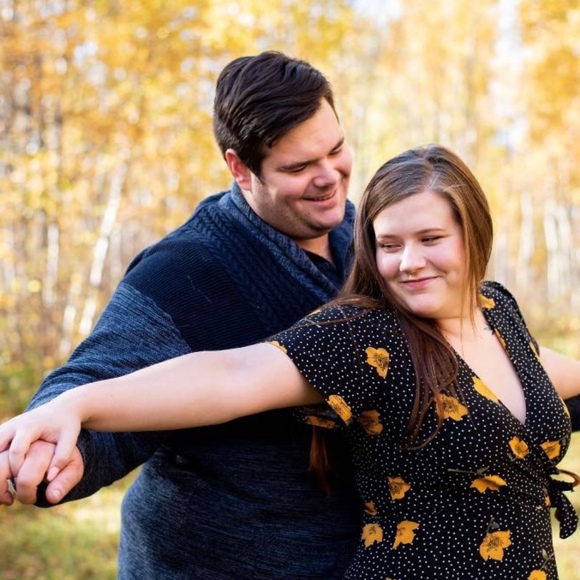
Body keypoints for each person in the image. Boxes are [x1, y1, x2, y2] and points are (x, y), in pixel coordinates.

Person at [2, 144, 579, 579]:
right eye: (389, 244)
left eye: (431, 239)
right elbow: (230, 375)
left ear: (473, 234)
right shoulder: (366, 337)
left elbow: (532, 371)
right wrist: (76, 404)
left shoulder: (495, 309)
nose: (408, 262)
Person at [0, 51, 362, 578]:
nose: (329, 177)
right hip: (205, 564)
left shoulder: (369, 239)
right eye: (299, 167)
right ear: (240, 168)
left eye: (335, 150)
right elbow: (101, 376)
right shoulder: (184, 269)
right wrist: (62, 449)